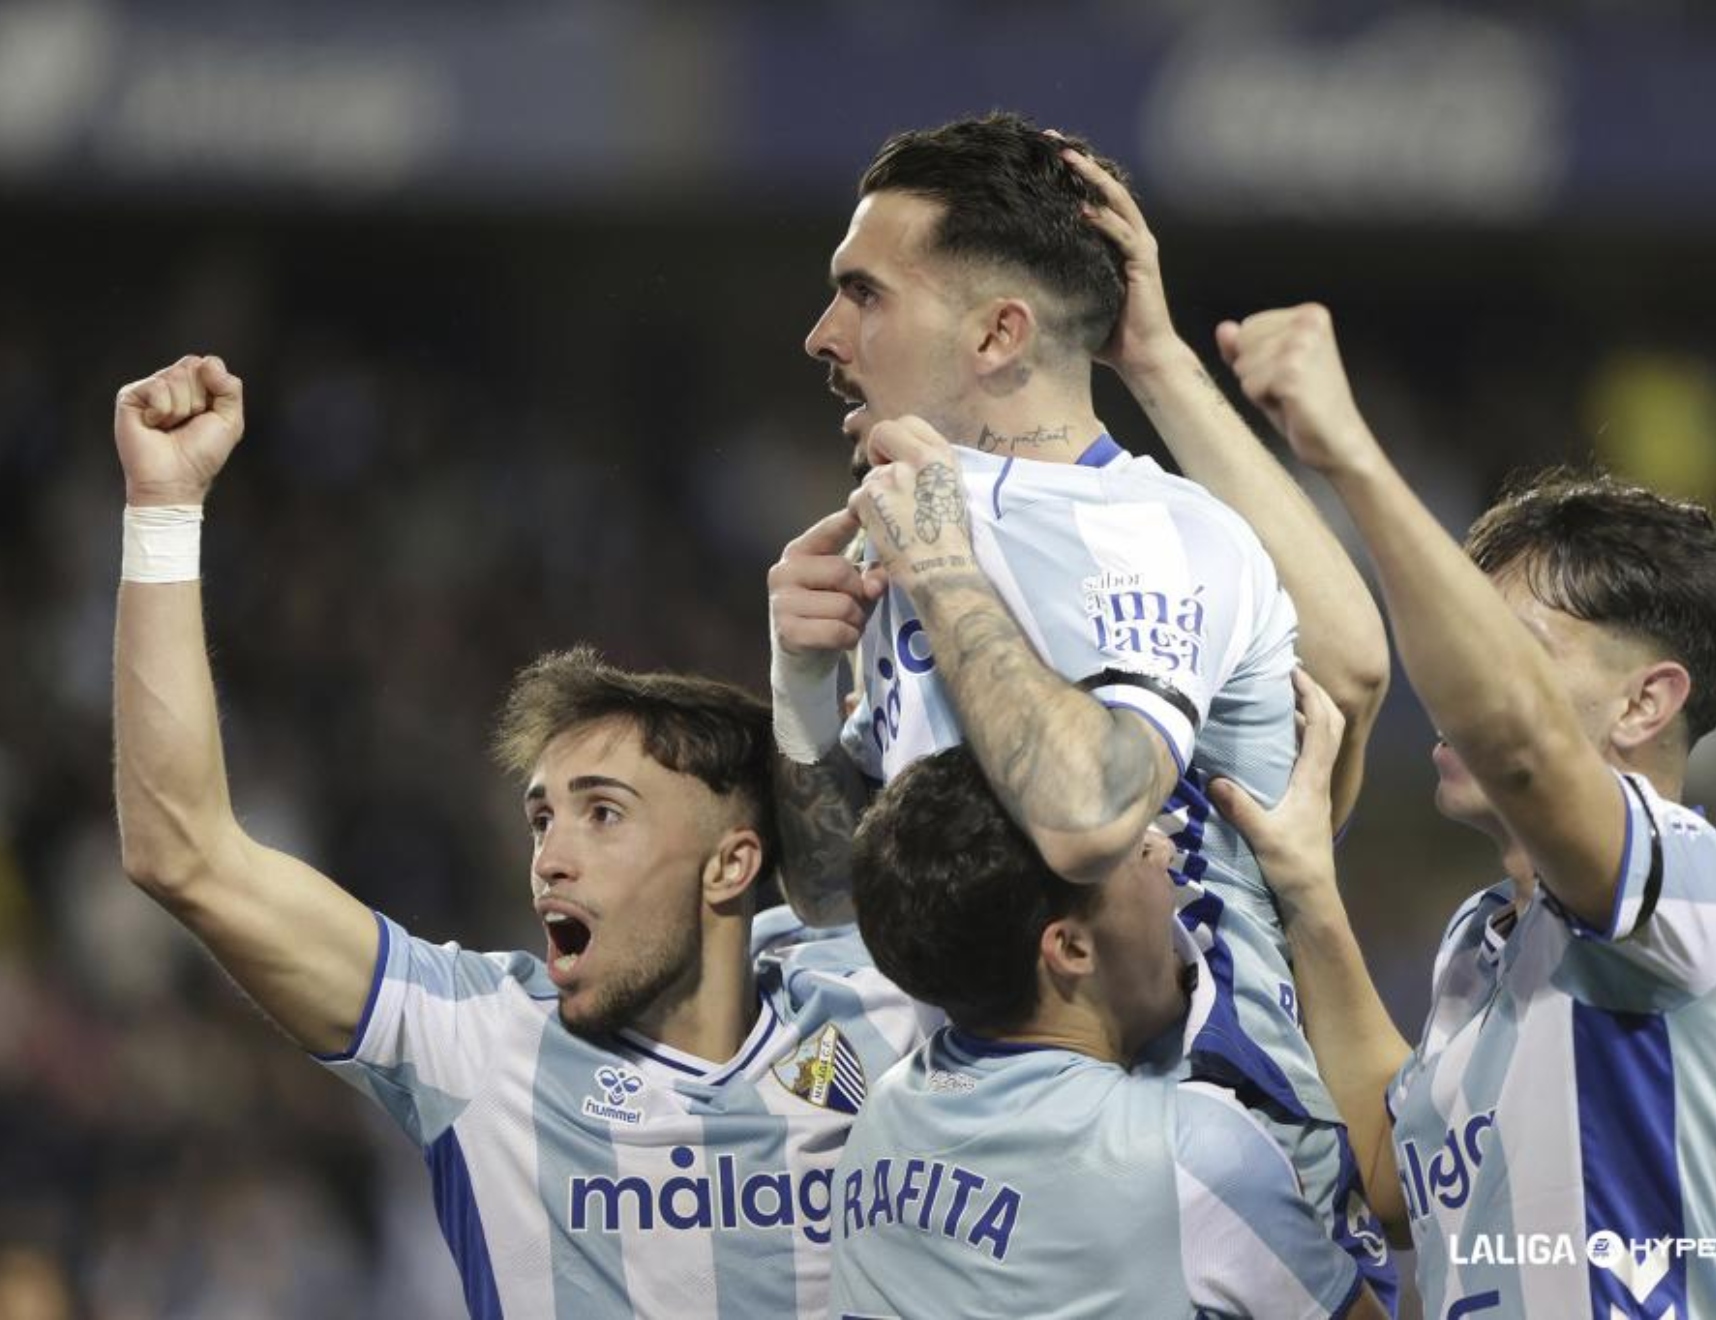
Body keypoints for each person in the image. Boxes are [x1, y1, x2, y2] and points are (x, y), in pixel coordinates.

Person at [110, 355, 932, 1319]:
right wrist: (162, 511)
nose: (551, 856)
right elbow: (185, 852)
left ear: (734, 863)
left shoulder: (878, 1008)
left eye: (604, 812)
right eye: (543, 816)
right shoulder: (484, 1044)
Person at [765, 112, 1396, 1302]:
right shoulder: (923, 522)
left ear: (1001, 331)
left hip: (1187, 1167)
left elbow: (1091, 813)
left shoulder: (1119, 532)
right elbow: (844, 894)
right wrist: (802, 687)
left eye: (864, 295)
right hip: (979, 1156)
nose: (823, 336)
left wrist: (948, 567)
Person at [1209, 309, 1716, 1317]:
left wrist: (1351, 458)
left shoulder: (1708, 892)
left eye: (1511, 645)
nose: (1452, 683)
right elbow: (1389, 1173)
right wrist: (1309, 887)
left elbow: (1522, 745)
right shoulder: (1480, 942)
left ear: (1645, 703)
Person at [830, 742, 1388, 1320]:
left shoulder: (878, 1120)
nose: (1163, 851)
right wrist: (1312, 890)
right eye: (1131, 849)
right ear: (1071, 947)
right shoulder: (1193, 1153)